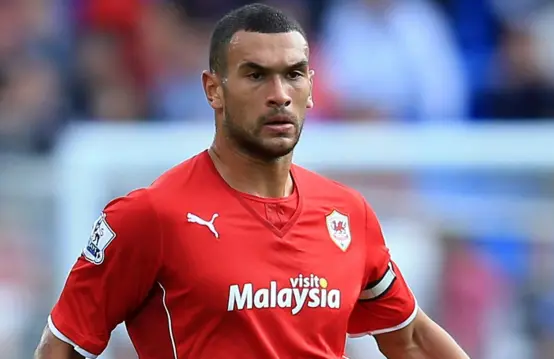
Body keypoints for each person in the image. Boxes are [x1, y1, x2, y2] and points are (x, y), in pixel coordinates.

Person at [34, 4, 469, 359]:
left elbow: (409, 339)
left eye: (294, 74)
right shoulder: (150, 216)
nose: (279, 93)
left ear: (312, 88)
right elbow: (62, 347)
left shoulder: (347, 215)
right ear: (213, 90)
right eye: (256, 75)